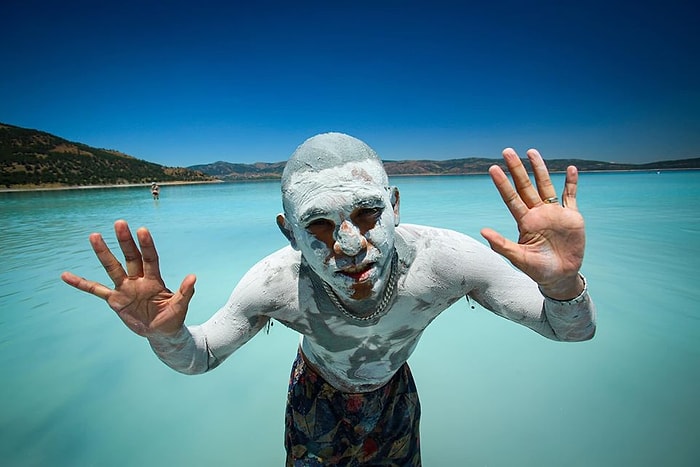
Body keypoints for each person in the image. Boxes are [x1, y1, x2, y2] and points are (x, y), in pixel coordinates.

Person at [61, 133, 596, 466]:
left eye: (366, 214)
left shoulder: (447, 263)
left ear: (395, 205)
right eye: (317, 224)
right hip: (315, 397)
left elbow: (570, 329)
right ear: (288, 233)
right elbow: (198, 356)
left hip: (393, 396)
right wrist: (166, 334)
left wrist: (562, 283)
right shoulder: (276, 284)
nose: (348, 245)